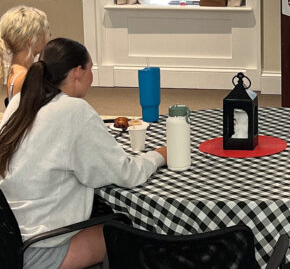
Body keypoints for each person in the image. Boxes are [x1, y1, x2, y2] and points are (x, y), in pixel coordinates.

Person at [0, 38, 167, 269]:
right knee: (134, 231)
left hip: (9, 239)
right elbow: (127, 173)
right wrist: (159, 156)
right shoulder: (74, 111)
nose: (92, 77)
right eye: (91, 69)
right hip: (42, 249)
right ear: (78, 72)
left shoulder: (20, 101)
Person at [0, 5, 50, 106]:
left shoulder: (15, 70)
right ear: (31, 40)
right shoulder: (24, 77)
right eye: (46, 31)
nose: (50, 35)